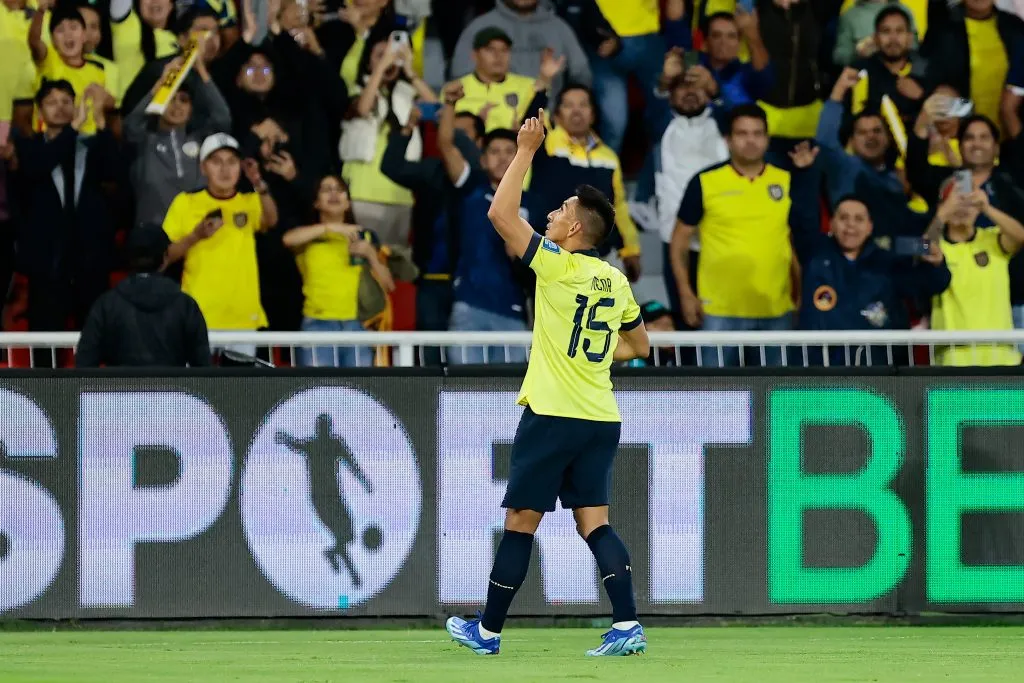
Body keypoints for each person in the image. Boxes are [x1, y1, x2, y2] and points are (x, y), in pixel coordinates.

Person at [445, 110, 650, 657]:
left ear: (575, 229)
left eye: (560, 211)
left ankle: (486, 633)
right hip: (600, 417)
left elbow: (499, 212)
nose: (553, 215)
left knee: (520, 523)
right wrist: (597, 364)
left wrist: (526, 151)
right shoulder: (617, 280)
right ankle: (627, 624)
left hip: (553, 413)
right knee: (595, 525)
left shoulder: (557, 264)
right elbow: (640, 347)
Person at [670, 104, 797, 368]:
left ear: (767, 139)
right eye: (742, 133)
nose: (750, 140)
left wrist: (802, 297)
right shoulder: (705, 182)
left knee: (776, 400)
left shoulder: (787, 180)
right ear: (728, 140)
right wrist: (685, 293)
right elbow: (679, 241)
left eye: (757, 133)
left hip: (776, 309)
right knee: (714, 399)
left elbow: (795, 244)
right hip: (718, 311)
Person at [12, 80, 118, 351]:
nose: (60, 108)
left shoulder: (90, 146)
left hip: (89, 258)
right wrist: (72, 129)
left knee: (94, 339)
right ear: (39, 112)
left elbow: (114, 170)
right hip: (48, 261)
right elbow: (37, 168)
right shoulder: (29, 147)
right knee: (45, 342)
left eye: (66, 102)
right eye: (51, 102)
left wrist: (100, 120)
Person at [162, 132, 278, 343]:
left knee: (239, 377)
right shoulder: (185, 202)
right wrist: (195, 236)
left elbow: (271, 221)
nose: (225, 169)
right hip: (199, 314)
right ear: (203, 167)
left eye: (232, 162)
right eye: (216, 162)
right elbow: (165, 256)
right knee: (198, 378)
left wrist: (259, 183)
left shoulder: (251, 200)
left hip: (242, 316)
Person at [530, 84, 642, 281]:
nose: (576, 110)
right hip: (552, 255)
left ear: (592, 114)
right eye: (568, 105)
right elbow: (531, 123)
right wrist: (544, 83)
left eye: (583, 105)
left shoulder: (608, 157)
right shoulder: (546, 145)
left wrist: (630, 248)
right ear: (556, 115)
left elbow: (618, 207)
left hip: (599, 258)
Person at [282, 175, 395, 368]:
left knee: (357, 395)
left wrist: (370, 255)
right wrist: (329, 228)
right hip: (317, 324)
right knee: (319, 395)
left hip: (356, 325)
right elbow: (287, 239)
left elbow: (389, 285)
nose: (334, 194)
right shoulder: (309, 236)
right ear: (316, 202)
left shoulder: (364, 236)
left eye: (339, 189)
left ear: (348, 203)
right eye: (326, 189)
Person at [654, 57, 728, 329]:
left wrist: (717, 90)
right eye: (682, 87)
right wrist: (665, 79)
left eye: (697, 87)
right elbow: (654, 108)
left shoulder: (723, 124)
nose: (689, 93)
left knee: (722, 321)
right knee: (686, 320)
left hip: (720, 237)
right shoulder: (662, 126)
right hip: (674, 239)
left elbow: (741, 114)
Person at [76, 224, 211, 368]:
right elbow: (202, 366)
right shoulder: (185, 306)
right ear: (165, 257)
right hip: (172, 389)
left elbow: (85, 364)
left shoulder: (106, 305)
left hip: (119, 390)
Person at [124, 56, 232, 227]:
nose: (177, 106)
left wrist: (201, 70)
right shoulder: (144, 141)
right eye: (170, 98)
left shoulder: (200, 140)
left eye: (184, 100)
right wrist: (161, 84)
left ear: (191, 109)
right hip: (154, 239)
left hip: (196, 236)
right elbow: (131, 124)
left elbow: (222, 118)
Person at [927, 181, 1024, 366]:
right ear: (944, 206)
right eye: (956, 202)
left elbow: (1020, 237)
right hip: (954, 359)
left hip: (1002, 356)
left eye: (968, 201)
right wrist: (941, 214)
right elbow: (921, 252)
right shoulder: (936, 246)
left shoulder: (993, 239)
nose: (962, 208)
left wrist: (987, 208)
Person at [451, 0, 591, 92]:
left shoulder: (559, 28)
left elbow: (582, 76)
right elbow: (459, 78)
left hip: (547, 122)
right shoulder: (479, 27)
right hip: (494, 125)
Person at [455, 27, 563, 132]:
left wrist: (545, 78)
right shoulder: (455, 89)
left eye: (504, 50)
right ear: (474, 55)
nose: (498, 56)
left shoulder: (531, 86)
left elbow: (542, 129)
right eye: (490, 49)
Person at [28, 2, 113, 135]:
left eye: (73, 27)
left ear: (84, 35)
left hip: (87, 140)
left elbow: (108, 104)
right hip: (52, 139)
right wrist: (41, 11)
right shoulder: (48, 60)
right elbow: (34, 41)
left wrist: (105, 98)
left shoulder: (97, 69)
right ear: (53, 41)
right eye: (60, 30)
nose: (68, 34)